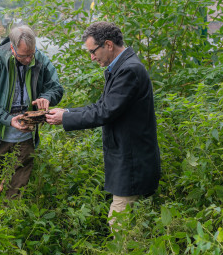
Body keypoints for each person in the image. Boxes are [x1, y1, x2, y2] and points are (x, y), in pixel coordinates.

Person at [46, 21, 161, 228]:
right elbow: (102, 105)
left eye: (93, 51)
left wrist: (65, 119)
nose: (91, 57)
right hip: (128, 158)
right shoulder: (121, 67)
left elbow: (105, 112)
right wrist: (67, 112)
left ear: (108, 44)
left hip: (132, 161)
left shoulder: (128, 70)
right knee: (128, 225)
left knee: (118, 226)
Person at [0, 24, 63, 199]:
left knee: (16, 192)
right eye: (23, 56)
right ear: (12, 48)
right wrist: (8, 119)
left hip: (26, 135)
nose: (29, 59)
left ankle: (11, 221)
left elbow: (56, 88)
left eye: (31, 54)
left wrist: (47, 97)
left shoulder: (40, 59)